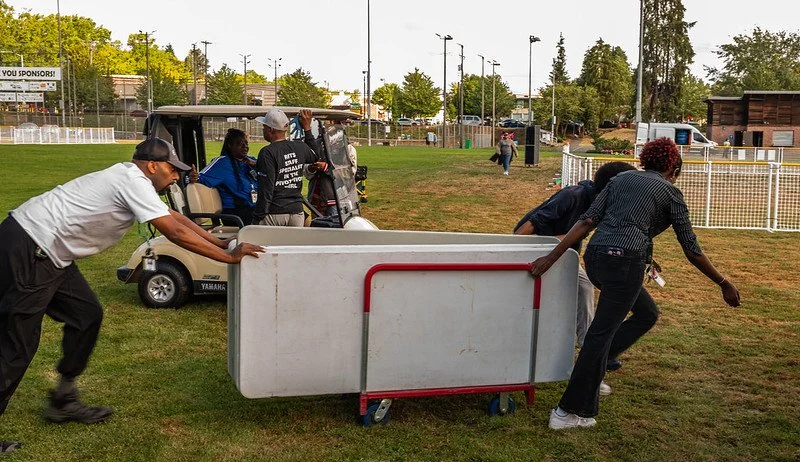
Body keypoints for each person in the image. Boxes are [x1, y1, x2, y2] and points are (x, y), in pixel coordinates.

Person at [0, 138, 263, 453]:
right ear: (152, 166)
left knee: (87, 316)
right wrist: (229, 259)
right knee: (16, 346)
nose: (176, 176)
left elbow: (177, 218)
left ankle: (63, 400)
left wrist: (220, 242)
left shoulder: (134, 180)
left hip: (50, 251)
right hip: (32, 246)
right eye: (172, 169)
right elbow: (174, 232)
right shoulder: (132, 180)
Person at [529, 137, 741, 430]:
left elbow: (588, 221)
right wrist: (723, 282)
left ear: (645, 160)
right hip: (624, 264)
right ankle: (569, 412)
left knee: (647, 313)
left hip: (597, 259)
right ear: (674, 167)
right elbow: (691, 248)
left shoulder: (621, 179)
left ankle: (597, 366)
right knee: (599, 336)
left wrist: (552, 256)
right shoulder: (671, 193)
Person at [514, 161, 636, 351]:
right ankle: (585, 347)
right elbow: (526, 229)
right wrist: (516, 246)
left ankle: (589, 347)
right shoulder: (572, 195)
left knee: (584, 286)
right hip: (538, 250)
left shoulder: (603, 205)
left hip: (562, 253)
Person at [252, 108, 323, 226]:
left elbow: (267, 189)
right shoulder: (299, 146)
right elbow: (315, 156)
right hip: (297, 213)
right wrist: (307, 129)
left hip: (275, 212)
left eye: (264, 127)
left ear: (271, 129)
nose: (263, 130)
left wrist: (258, 217)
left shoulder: (267, 152)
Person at [188, 128, 256, 226]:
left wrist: (256, 164)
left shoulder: (251, 161)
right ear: (230, 146)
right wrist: (194, 177)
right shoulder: (222, 163)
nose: (245, 147)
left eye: (246, 143)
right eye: (239, 144)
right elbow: (200, 178)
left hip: (253, 208)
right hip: (236, 213)